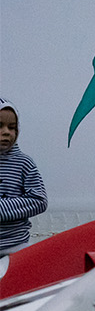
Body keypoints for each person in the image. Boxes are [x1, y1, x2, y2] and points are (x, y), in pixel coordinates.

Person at [0, 99, 48, 253]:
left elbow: (39, 200)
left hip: (15, 248)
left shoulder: (24, 163)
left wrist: (3, 208)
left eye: (12, 127)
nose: (6, 131)